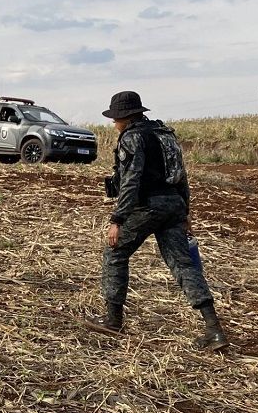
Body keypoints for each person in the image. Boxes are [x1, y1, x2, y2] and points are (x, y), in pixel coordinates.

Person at [85, 91, 228, 351]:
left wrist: (117, 218)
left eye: (115, 117)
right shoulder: (165, 134)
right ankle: (214, 330)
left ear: (125, 117)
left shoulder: (132, 137)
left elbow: (131, 181)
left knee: (115, 252)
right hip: (173, 205)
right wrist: (185, 212)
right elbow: (181, 174)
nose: (113, 122)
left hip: (147, 206)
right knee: (184, 265)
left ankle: (113, 320)